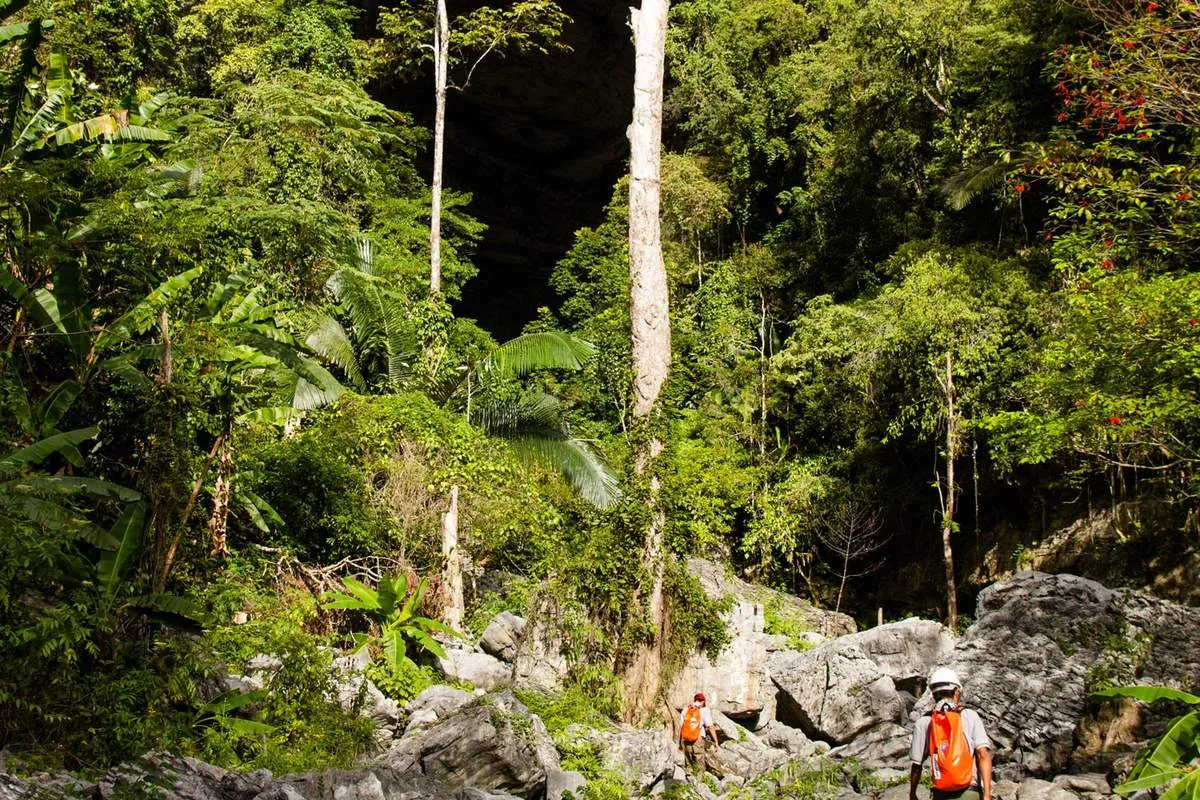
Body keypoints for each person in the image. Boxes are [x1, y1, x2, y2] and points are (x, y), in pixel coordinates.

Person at [909, 668, 993, 800]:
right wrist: (987, 794)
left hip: (941, 794)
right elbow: (983, 754)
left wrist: (912, 793)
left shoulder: (924, 722)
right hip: (969, 792)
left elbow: (916, 766)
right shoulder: (970, 716)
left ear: (933, 695)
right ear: (956, 692)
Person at [677, 692, 723, 778]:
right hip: (697, 739)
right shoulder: (704, 710)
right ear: (703, 701)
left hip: (686, 739)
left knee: (689, 763)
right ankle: (699, 785)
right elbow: (710, 727)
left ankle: (689, 784)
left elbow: (681, 727)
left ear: (695, 700)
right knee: (699, 763)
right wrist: (716, 741)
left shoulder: (686, 710)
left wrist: (679, 743)